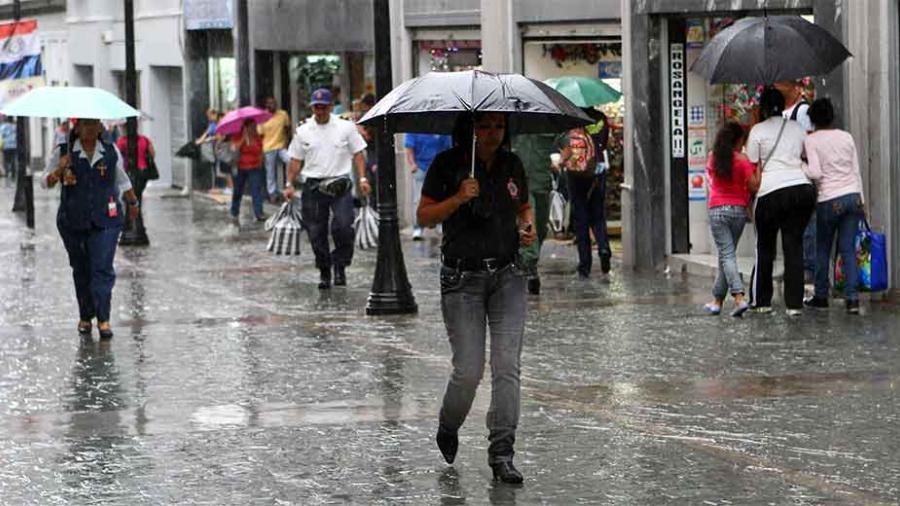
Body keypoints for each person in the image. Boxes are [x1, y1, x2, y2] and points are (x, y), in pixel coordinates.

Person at [417, 113, 536, 484]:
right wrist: (457, 197)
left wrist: (527, 226)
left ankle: (502, 453)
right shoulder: (447, 164)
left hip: (508, 275)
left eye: (498, 127)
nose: (492, 134)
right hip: (461, 279)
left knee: (507, 367)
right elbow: (423, 215)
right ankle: (448, 424)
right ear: (469, 130)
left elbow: (523, 207)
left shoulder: (511, 164)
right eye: (484, 127)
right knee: (469, 370)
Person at [40, 118, 140, 339]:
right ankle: (86, 315)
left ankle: (103, 319)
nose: (90, 129)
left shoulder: (110, 150)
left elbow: (122, 180)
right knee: (81, 268)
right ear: (77, 128)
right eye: (85, 124)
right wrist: (59, 169)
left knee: (102, 267)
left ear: (99, 128)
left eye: (94, 124)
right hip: (72, 219)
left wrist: (133, 202)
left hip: (107, 218)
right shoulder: (63, 151)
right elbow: (44, 182)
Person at [283, 88, 370, 289]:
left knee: (343, 226)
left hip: (340, 184)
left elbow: (358, 153)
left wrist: (363, 178)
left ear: (330, 107)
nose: (320, 111)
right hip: (313, 186)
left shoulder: (345, 127)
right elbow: (295, 160)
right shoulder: (303, 130)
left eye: (323, 107)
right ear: (312, 107)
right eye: (316, 107)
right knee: (315, 231)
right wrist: (289, 183)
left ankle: (340, 264)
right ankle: (324, 269)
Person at [747, 88, 816, 315]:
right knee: (793, 245)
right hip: (801, 190)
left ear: (763, 107)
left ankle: (762, 301)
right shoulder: (797, 128)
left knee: (765, 247)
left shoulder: (758, 130)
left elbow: (752, 164)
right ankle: (794, 304)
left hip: (770, 192)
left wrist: (755, 121)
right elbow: (805, 155)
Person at [802, 98, 865, 314]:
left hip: (829, 199)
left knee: (823, 249)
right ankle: (852, 299)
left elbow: (816, 173)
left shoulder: (811, 141)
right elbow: (856, 170)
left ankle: (821, 296)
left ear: (812, 120)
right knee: (848, 249)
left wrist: (801, 165)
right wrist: (862, 200)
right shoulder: (846, 137)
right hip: (853, 197)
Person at [703, 122, 759, 317]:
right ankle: (717, 300)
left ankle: (738, 297)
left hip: (717, 209)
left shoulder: (713, 158)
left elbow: (709, 182)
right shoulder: (743, 160)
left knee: (726, 255)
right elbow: (753, 186)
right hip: (738, 211)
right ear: (738, 141)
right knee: (726, 255)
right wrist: (758, 169)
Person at [775, 79, 816, 282]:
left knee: (806, 225)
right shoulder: (780, 112)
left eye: (780, 83)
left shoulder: (802, 111)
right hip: (784, 177)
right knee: (789, 226)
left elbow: (809, 142)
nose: (776, 87)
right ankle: (792, 267)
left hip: (801, 175)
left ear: (792, 86)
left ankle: (808, 267)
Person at [511, 133, 556, 294]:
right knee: (530, 224)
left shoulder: (545, 124)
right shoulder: (513, 124)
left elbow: (565, 142)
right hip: (521, 184)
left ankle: (530, 261)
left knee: (542, 228)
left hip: (542, 182)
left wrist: (562, 159)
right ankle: (529, 266)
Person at [405, 132, 453, 240]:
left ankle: (440, 224)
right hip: (421, 168)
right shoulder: (414, 129)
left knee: (441, 198)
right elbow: (409, 148)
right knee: (418, 199)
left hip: (439, 168)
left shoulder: (441, 130)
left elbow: (448, 148)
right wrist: (413, 165)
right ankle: (418, 228)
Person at [116, 127, 156, 245]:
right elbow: (152, 154)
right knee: (136, 198)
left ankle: (132, 228)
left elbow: (117, 157)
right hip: (143, 173)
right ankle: (136, 227)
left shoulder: (122, 141)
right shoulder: (145, 140)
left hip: (129, 173)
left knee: (128, 199)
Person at [230, 119, 267, 224]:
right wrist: (243, 138)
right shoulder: (238, 136)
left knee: (256, 190)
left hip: (254, 167)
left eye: (254, 126)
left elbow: (260, 151)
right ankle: (234, 210)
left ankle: (259, 213)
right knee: (238, 190)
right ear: (246, 127)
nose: (254, 128)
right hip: (241, 167)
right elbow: (234, 148)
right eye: (251, 126)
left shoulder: (257, 138)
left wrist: (261, 161)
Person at [258, 96, 292, 203]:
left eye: (274, 103)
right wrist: (260, 152)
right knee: (270, 171)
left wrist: (287, 142)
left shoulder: (283, 114)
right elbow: (260, 135)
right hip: (268, 148)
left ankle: (288, 185)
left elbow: (287, 128)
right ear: (266, 105)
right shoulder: (262, 117)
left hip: (281, 146)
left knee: (290, 160)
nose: (272, 105)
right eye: (270, 104)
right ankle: (272, 193)